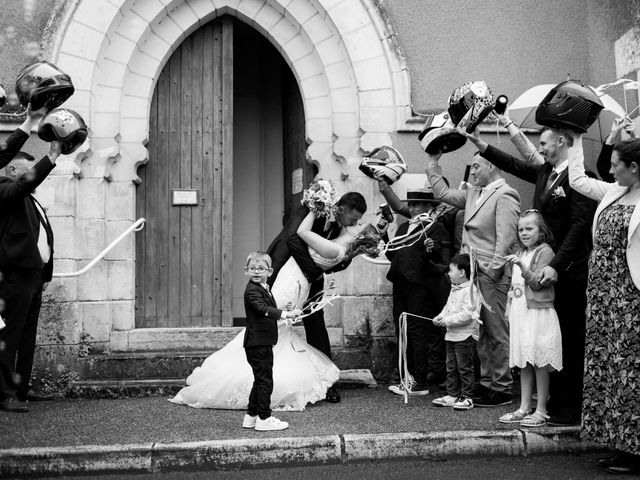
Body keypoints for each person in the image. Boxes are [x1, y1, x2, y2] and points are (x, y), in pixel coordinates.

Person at [170, 211, 381, 412]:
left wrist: (314, 209)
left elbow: (301, 233)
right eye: (358, 220)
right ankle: (265, 376)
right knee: (274, 329)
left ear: (359, 236)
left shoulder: (336, 250)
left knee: (269, 326)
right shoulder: (339, 244)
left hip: (292, 283)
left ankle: (250, 378)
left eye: (360, 225)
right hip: (293, 280)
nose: (356, 223)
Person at [463, 126, 596, 425]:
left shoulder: (580, 176)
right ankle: (550, 403)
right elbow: (513, 164)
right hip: (542, 267)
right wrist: (481, 144)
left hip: (566, 270)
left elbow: (578, 227)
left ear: (562, 142)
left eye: (545, 143)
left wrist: (555, 265)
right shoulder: (546, 171)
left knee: (567, 341)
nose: (542, 149)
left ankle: (572, 407)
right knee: (544, 341)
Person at [567, 135, 640, 475]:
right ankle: (619, 443)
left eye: (615, 166)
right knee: (607, 368)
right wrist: (575, 137)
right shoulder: (615, 192)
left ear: (634, 168)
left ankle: (636, 449)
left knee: (631, 373)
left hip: (631, 298)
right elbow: (578, 179)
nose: (610, 171)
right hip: (602, 296)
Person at [426, 150, 520, 407]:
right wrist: (434, 162)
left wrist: (492, 270)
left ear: (492, 166)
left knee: (495, 330)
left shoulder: (506, 194)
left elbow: (506, 238)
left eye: (477, 166)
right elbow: (443, 194)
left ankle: (502, 387)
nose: (473, 171)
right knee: (478, 330)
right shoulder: (473, 193)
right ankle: (487, 382)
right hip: (471, 274)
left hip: (490, 273)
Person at [267, 192, 367, 403]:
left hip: (311, 276)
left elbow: (335, 263)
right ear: (341, 208)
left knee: (316, 323)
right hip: (285, 269)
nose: (355, 223)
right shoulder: (311, 209)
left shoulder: (342, 228)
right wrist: (312, 271)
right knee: (275, 322)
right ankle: (268, 377)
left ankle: (326, 383)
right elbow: (292, 238)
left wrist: (357, 249)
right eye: (353, 219)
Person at [0, 142, 60, 412]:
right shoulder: (5, 189)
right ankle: (4, 394)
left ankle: (22, 388)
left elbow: (40, 238)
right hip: (14, 276)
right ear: (12, 170)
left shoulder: (29, 198)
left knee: (26, 337)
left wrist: (43, 276)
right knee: (9, 337)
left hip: (33, 277)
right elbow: (21, 185)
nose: (32, 176)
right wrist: (51, 157)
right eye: (28, 170)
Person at [384, 188, 452, 396]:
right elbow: (392, 253)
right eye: (411, 204)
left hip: (419, 285)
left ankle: (420, 381)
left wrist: (432, 248)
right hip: (400, 283)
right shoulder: (404, 226)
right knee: (401, 329)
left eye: (417, 205)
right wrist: (382, 232)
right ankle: (407, 377)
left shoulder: (435, 227)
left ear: (428, 207)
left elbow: (441, 259)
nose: (412, 208)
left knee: (416, 330)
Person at [498, 210, 562, 427]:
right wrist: (508, 308)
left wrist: (521, 266)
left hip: (537, 313)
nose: (524, 233)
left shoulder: (545, 252)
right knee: (525, 361)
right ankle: (524, 407)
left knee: (539, 361)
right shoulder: (521, 252)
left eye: (529, 228)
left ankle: (541, 409)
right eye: (521, 229)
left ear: (541, 230)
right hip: (520, 311)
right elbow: (513, 287)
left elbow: (537, 283)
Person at [241, 251, 302, 431]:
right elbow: (262, 309)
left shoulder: (262, 289)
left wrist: (284, 311)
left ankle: (251, 416)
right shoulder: (252, 290)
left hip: (262, 341)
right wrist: (285, 313)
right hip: (257, 343)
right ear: (246, 271)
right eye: (252, 268)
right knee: (265, 381)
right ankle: (264, 418)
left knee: (259, 380)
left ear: (270, 271)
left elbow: (267, 310)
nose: (256, 272)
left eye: (261, 268)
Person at [432, 253, 480, 410]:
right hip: (451, 335)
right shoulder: (454, 289)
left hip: (465, 336)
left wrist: (447, 321)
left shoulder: (471, 290)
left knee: (465, 367)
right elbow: (448, 307)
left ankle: (467, 396)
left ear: (462, 273)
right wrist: (440, 317)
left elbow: (468, 314)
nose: (448, 273)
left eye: (451, 270)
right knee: (451, 366)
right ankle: (452, 394)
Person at [597, 116, 636, 182]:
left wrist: (634, 139)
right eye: (611, 165)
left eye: (615, 165)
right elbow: (603, 166)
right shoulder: (614, 186)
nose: (610, 171)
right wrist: (613, 133)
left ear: (633, 167)